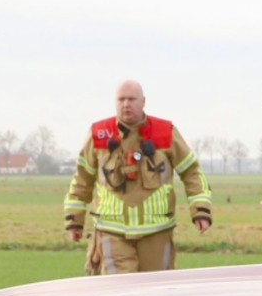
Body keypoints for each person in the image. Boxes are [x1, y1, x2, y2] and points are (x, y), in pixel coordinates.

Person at [64, 79, 211, 274]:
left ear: (143, 102)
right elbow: (82, 179)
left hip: (157, 233)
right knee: (119, 289)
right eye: (121, 99)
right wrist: (74, 221)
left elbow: (191, 172)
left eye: (132, 99)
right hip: (111, 233)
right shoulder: (99, 134)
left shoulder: (165, 132)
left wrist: (201, 211)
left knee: (156, 288)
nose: (126, 104)